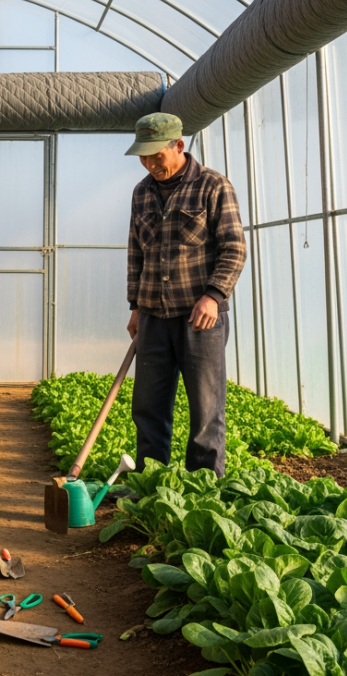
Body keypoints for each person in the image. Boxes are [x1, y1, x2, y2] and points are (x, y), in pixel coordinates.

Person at [124, 112, 247, 477]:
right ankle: (149, 482)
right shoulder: (142, 192)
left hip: (200, 319)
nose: (149, 164)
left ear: (179, 145)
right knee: (148, 406)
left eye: (155, 156)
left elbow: (234, 249)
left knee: (206, 411)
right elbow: (136, 253)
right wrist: (135, 307)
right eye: (143, 157)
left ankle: (202, 486)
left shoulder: (213, 186)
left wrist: (213, 295)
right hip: (153, 316)